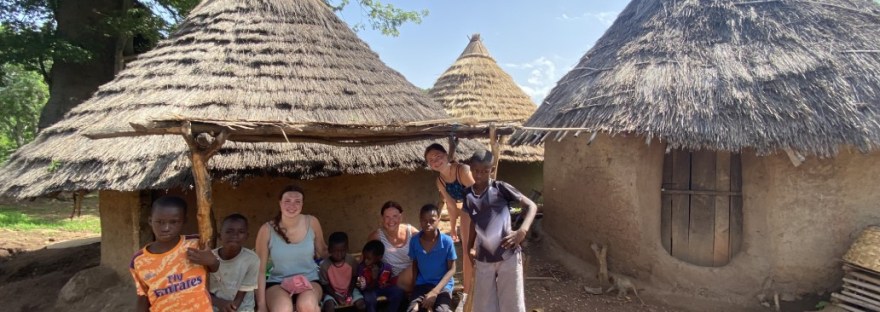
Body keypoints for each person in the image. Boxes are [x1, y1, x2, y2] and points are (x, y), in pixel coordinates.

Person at [463, 150, 538, 312]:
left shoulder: (500, 188)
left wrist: (521, 231)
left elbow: (532, 206)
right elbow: (473, 220)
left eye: (485, 171)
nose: (480, 175)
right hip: (483, 258)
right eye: (476, 170)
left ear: (492, 169)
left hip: (508, 256)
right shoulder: (468, 195)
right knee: (483, 305)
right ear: (470, 169)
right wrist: (470, 245)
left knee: (512, 304)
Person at [130, 195, 219, 312]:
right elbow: (143, 296)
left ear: (184, 221)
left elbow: (214, 267)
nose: (166, 228)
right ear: (150, 221)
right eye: (160, 222)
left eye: (174, 222)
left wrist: (211, 261)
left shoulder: (196, 244)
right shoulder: (139, 260)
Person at [255, 185, 328, 312]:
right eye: (287, 201)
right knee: (282, 309)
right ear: (280, 203)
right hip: (278, 283)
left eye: (297, 202)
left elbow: (323, 251)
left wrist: (349, 261)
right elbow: (260, 270)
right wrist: (261, 305)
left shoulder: (312, 222)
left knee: (308, 305)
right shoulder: (267, 230)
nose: (292, 205)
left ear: (302, 204)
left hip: (309, 280)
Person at [424, 143, 475, 310]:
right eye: (431, 160)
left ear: (446, 155)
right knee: (467, 256)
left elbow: (480, 195)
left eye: (438, 156)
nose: (436, 161)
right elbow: (452, 206)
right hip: (468, 212)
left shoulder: (463, 170)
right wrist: (453, 228)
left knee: (484, 252)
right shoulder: (440, 181)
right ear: (429, 165)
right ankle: (467, 296)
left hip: (484, 210)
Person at [407, 204, 457, 312]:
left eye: (432, 220)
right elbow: (415, 263)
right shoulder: (415, 241)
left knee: (441, 310)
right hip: (422, 284)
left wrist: (435, 292)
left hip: (442, 286)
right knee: (413, 310)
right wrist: (413, 286)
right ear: (420, 220)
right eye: (424, 220)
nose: (428, 223)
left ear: (439, 219)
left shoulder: (447, 241)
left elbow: (452, 269)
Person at [210, 214, 260, 312]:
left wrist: (231, 308)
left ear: (247, 236)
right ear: (220, 236)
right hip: (215, 305)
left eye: (241, 232)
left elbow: (240, 297)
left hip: (241, 308)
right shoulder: (210, 258)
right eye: (229, 231)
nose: (235, 235)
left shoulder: (251, 259)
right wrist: (219, 303)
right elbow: (203, 291)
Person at [367, 201, 418, 291]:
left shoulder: (411, 232)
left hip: (414, 276)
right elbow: (365, 259)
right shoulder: (377, 236)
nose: (391, 221)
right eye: (387, 217)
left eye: (395, 216)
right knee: (415, 269)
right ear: (382, 218)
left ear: (401, 217)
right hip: (394, 279)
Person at [319, 232, 364, 312]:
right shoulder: (325, 265)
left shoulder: (351, 261)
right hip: (332, 292)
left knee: (361, 305)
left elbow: (354, 277)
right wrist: (335, 295)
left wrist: (349, 293)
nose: (339, 254)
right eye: (335, 251)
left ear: (347, 249)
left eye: (342, 251)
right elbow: (325, 285)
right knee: (328, 306)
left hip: (351, 289)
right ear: (329, 250)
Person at [357, 240, 405, 312]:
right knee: (370, 299)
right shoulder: (362, 268)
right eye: (364, 257)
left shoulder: (386, 268)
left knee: (398, 292)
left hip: (382, 288)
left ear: (379, 257)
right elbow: (367, 288)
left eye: (369, 258)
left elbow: (386, 283)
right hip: (369, 290)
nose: (366, 261)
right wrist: (374, 278)